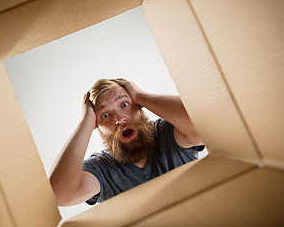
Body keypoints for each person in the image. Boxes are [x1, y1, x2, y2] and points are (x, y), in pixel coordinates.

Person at [49, 78, 204, 206]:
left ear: (139, 107)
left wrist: (141, 96)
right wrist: (86, 122)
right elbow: (60, 195)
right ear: (97, 126)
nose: (119, 119)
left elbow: (204, 125)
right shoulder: (101, 169)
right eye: (105, 115)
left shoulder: (168, 133)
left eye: (124, 104)